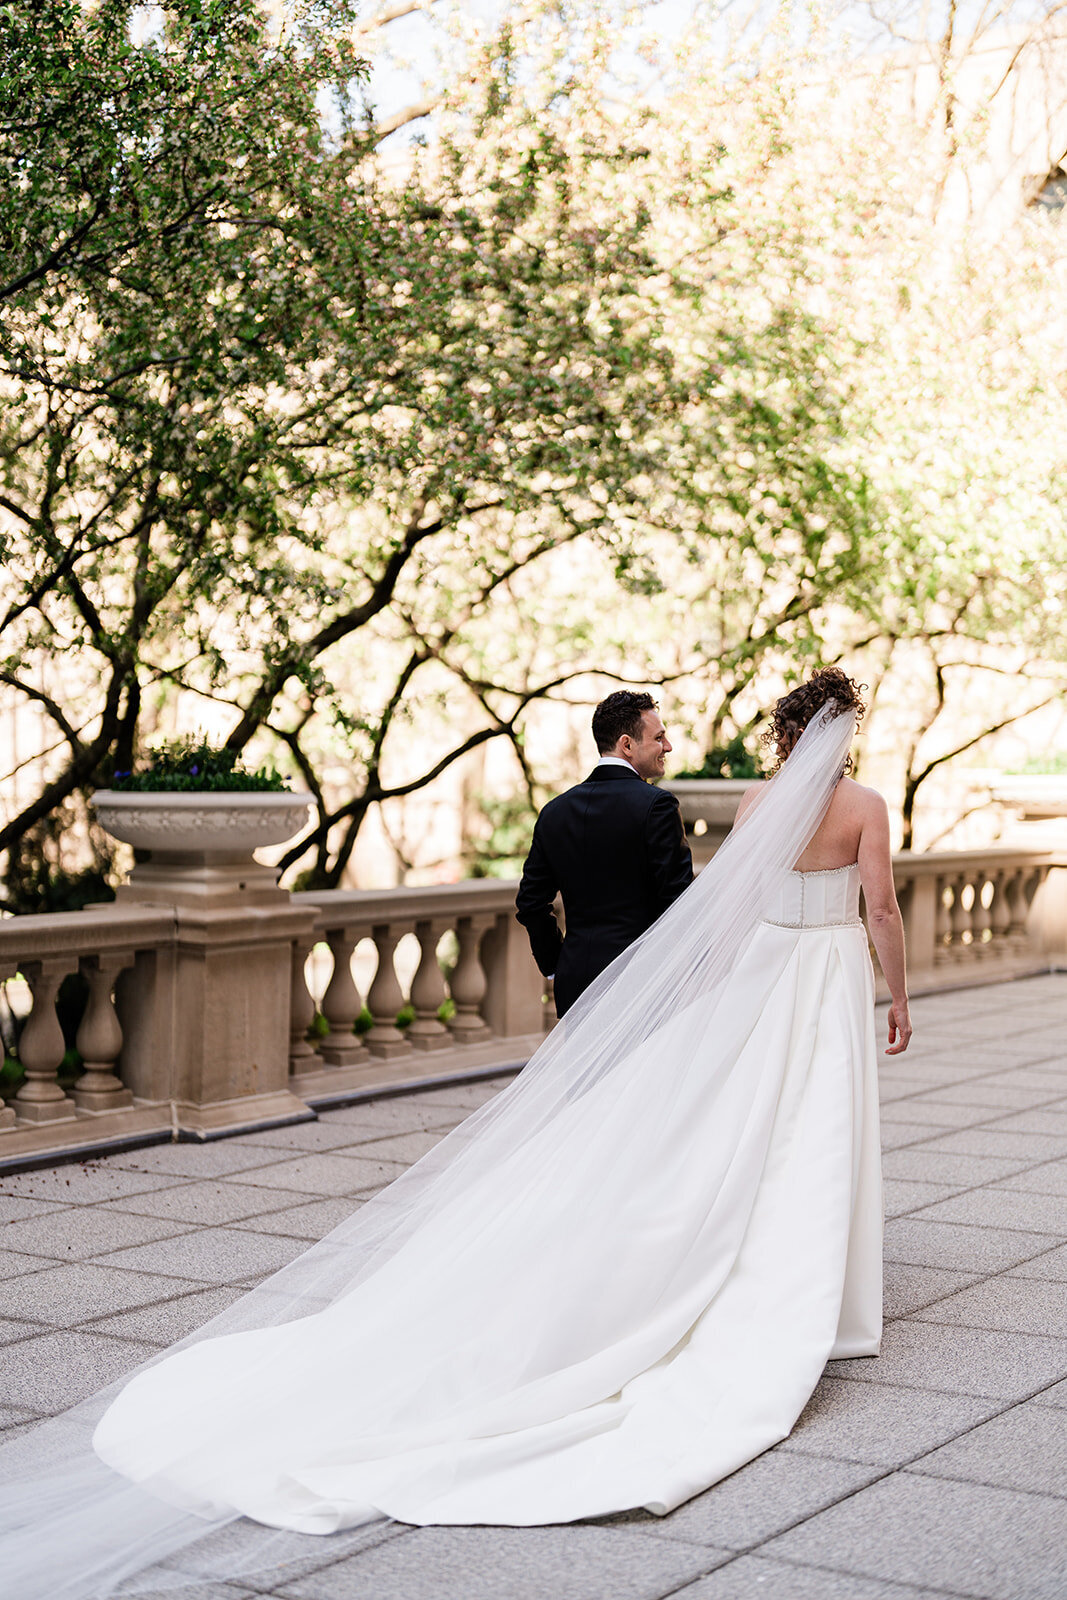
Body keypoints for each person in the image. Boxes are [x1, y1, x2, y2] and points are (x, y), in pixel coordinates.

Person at [0, 668, 909, 1600]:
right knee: (799, 1123)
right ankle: (796, 1282)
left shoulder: (726, 805)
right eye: (657, 732)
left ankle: (623, 1223)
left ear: (785, 732)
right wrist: (897, 996)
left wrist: (587, 968)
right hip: (803, 970)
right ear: (840, 732)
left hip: (689, 971)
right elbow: (864, 908)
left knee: (679, 1120)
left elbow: (655, 907)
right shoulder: (840, 807)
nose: (666, 745)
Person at [515, 689, 693, 1015]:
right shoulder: (658, 806)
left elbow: (530, 903)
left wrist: (556, 964)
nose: (667, 746)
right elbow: (678, 902)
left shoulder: (555, 811)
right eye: (659, 738)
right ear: (627, 744)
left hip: (574, 981)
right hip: (641, 982)